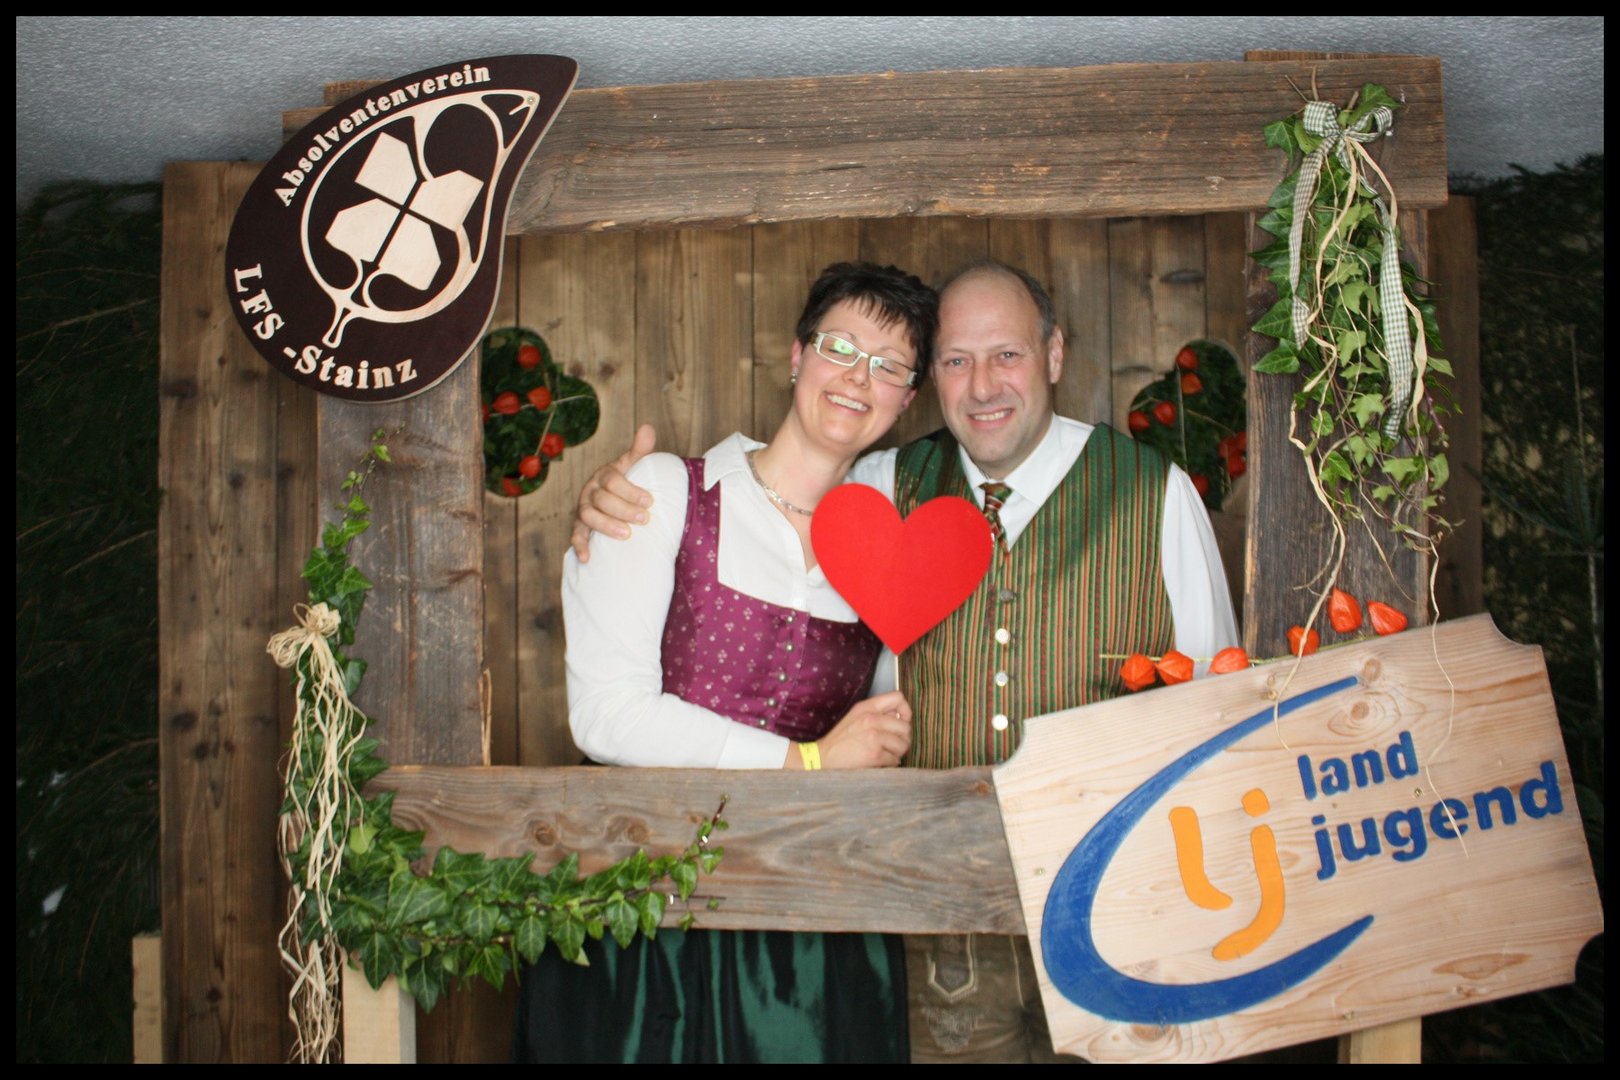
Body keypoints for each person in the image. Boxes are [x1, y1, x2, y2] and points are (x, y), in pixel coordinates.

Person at [572, 260, 1239, 1062]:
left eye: (1007, 355)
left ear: (1055, 354)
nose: (983, 385)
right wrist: (613, 497)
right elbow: (769, 486)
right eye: (956, 360)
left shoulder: (1155, 493)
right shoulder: (880, 486)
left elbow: (1222, 711)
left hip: (1115, 920)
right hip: (930, 923)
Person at [512, 261, 937, 1064]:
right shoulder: (668, 491)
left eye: (889, 366)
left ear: (907, 400)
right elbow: (608, 716)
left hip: (801, 930)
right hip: (641, 906)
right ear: (797, 356)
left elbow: (880, 738)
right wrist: (806, 761)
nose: (858, 377)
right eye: (840, 347)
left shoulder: (885, 549)